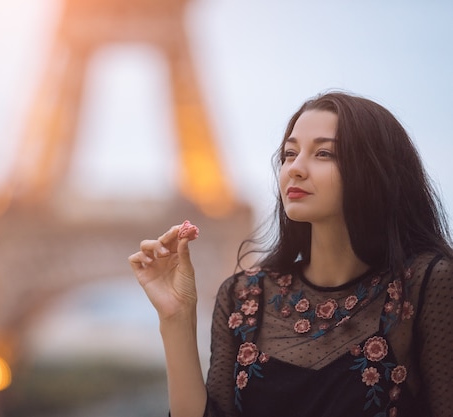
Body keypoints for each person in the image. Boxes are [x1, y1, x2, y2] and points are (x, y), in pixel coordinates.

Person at [128, 91, 453, 417]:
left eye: (323, 153)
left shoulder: (427, 285)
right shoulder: (244, 296)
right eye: (289, 153)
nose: (295, 169)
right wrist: (176, 316)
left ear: (374, 169)